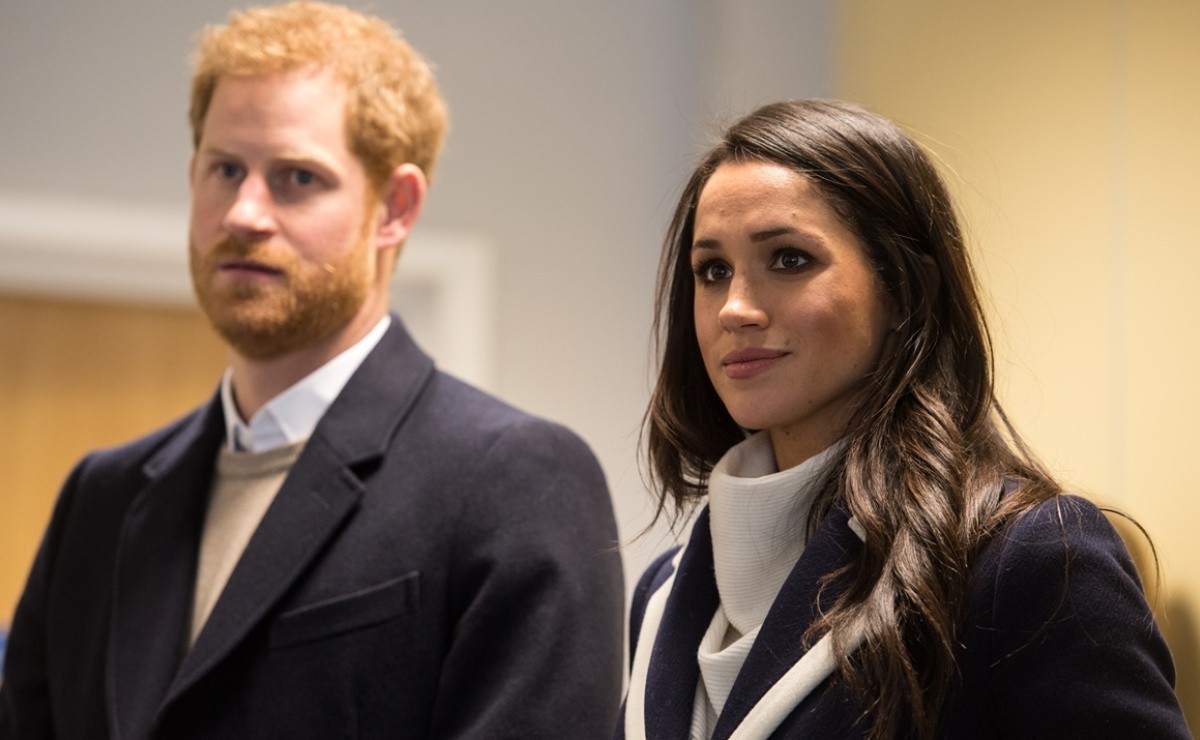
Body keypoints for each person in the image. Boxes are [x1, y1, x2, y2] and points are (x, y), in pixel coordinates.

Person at [0, 3, 624, 738]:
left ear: (395, 207)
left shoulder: (515, 482)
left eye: (296, 177)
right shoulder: (102, 499)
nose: (245, 213)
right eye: (225, 169)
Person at [620, 100, 1189, 739]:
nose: (735, 308)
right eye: (713, 271)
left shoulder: (1028, 559)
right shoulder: (663, 594)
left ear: (902, 293)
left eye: (788, 259)